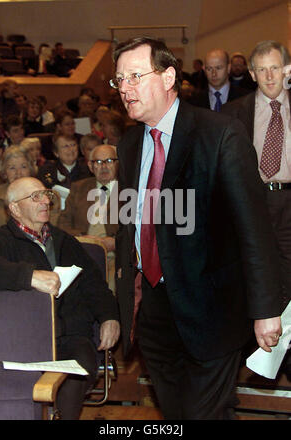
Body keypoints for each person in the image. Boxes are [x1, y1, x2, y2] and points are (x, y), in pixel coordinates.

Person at [111, 36, 283, 420]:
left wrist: (266, 309)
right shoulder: (128, 145)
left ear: (169, 76)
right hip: (153, 315)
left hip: (211, 310)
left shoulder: (219, 134)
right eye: (119, 80)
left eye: (135, 76)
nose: (125, 88)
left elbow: (254, 230)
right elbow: (129, 228)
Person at [0, 176, 120, 419]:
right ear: (15, 208)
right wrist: (28, 276)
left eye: (46, 195)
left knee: (73, 378)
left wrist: (109, 316)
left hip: (71, 338)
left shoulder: (65, 241)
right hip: (23, 341)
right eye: (35, 197)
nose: (45, 202)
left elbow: (94, 284)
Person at [222, 40, 291, 378]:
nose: (269, 75)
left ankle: (283, 358)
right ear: (251, 74)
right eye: (261, 69)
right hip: (250, 203)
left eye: (275, 67)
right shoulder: (233, 113)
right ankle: (250, 356)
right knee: (251, 275)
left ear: (287, 70)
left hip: (290, 202)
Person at [58, 144, 119, 293]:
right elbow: (62, 224)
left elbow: (139, 229)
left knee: (110, 286)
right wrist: (83, 238)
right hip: (83, 252)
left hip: (115, 256)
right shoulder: (79, 187)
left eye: (109, 161)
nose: (104, 166)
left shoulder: (130, 190)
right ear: (90, 166)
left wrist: (117, 242)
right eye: (98, 162)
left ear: (118, 164)